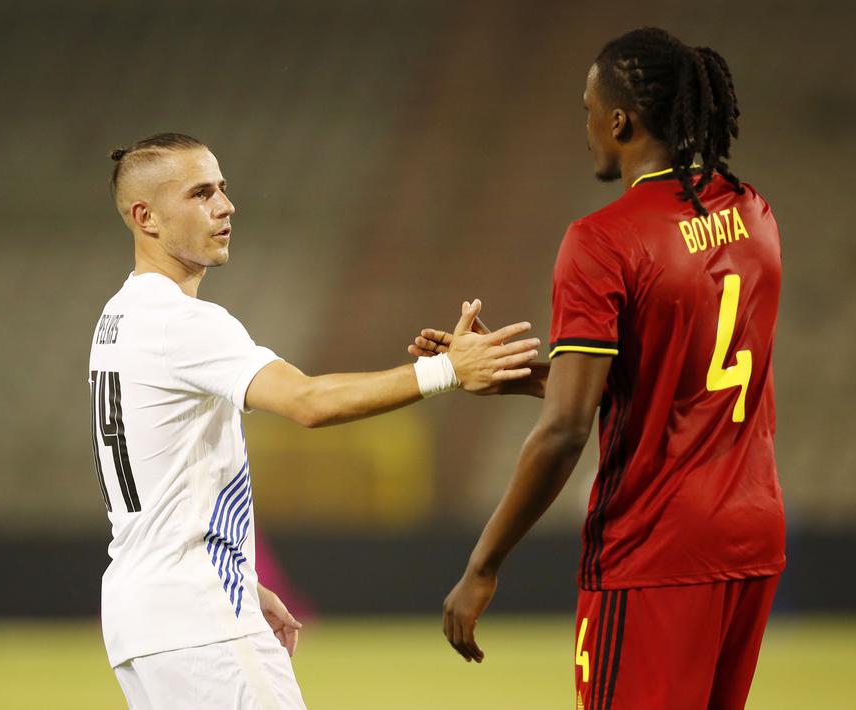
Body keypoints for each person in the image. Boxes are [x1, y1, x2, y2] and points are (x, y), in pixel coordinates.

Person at [91, 132, 541, 709]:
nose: (226, 206)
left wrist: (243, 584)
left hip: (147, 617)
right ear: (144, 216)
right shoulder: (179, 321)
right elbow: (307, 401)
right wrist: (448, 371)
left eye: (223, 189)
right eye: (201, 193)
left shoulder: (119, 317)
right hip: (197, 619)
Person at [421, 28, 785, 710]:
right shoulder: (751, 212)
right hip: (751, 533)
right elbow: (672, 376)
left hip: (655, 544)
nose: (585, 124)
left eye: (587, 108)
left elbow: (564, 430)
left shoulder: (603, 240)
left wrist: (481, 566)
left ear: (618, 120)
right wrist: (514, 372)